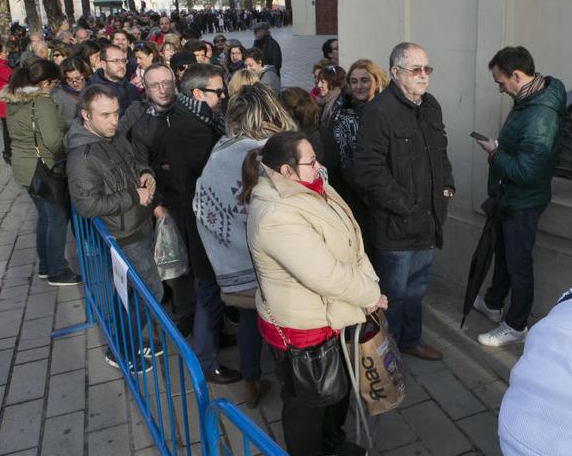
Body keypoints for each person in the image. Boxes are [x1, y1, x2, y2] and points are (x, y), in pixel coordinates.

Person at [245, 131, 386, 456]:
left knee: (335, 394)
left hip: (330, 314)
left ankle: (333, 445)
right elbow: (324, 273)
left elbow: (351, 237)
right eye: (311, 162)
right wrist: (369, 294)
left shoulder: (309, 186)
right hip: (303, 328)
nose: (320, 166)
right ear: (286, 171)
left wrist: (367, 284)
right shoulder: (276, 214)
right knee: (307, 406)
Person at [193, 83, 297, 407]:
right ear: (271, 110)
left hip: (242, 266)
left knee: (252, 322)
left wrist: (232, 247)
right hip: (282, 260)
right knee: (289, 325)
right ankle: (294, 383)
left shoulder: (222, 151)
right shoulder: (280, 150)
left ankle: (251, 382)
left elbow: (203, 205)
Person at [350, 42, 455, 361]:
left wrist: (447, 185)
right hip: (396, 226)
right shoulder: (379, 111)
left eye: (427, 69)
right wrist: (403, 203)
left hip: (428, 221)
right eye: (416, 70)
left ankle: (410, 341)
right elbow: (367, 171)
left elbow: (440, 151)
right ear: (395, 73)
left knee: (417, 291)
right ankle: (386, 356)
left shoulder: (431, 105)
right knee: (392, 296)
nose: (424, 76)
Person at [472, 46, 565, 347]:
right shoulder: (529, 99)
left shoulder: (540, 115)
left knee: (518, 263)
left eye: (501, 82)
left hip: (522, 202)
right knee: (504, 254)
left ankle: (516, 325)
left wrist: (495, 153)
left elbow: (527, 172)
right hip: (510, 199)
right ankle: (493, 303)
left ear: (516, 76)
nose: (500, 89)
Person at [66, 84, 162, 373]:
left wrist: (146, 174)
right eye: (105, 115)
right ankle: (121, 346)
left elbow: (134, 163)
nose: (113, 121)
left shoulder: (114, 135)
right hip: (123, 235)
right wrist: (134, 196)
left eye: (116, 114)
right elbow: (86, 206)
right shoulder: (81, 157)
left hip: (137, 223)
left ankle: (129, 339)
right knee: (152, 292)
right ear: (86, 115)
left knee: (133, 293)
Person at [164, 64, 240, 384]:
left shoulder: (190, 118)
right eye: (218, 91)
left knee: (210, 288)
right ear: (198, 94)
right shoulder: (193, 130)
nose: (223, 96)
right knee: (208, 290)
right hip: (203, 224)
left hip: (199, 219)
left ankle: (215, 337)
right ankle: (207, 361)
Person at [123, 64, 196, 337]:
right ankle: (185, 311)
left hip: (197, 197)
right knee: (177, 259)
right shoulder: (141, 126)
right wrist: (155, 205)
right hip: (168, 202)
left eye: (167, 82)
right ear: (145, 88)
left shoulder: (190, 113)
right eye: (155, 85)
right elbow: (140, 168)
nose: (163, 90)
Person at [0, 59, 80, 286]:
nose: (56, 87)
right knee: (57, 217)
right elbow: (53, 141)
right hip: (43, 167)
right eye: (54, 83)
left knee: (44, 216)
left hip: (23, 167)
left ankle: (45, 266)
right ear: (44, 83)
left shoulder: (13, 100)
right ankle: (56, 270)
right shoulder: (41, 103)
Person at [321, 59, 389, 257]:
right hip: (354, 192)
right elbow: (342, 157)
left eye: (365, 80)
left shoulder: (387, 110)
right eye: (354, 81)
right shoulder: (341, 113)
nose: (359, 86)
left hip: (386, 191)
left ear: (377, 81)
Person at [89, 45, 140, 118]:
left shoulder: (130, 86)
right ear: (103, 64)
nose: (121, 65)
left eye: (123, 61)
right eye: (116, 61)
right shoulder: (94, 92)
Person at [51, 57, 91, 122]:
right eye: (70, 80)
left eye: (78, 78)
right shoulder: (57, 96)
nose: (75, 83)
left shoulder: (95, 89)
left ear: (84, 74)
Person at [315, 65, 345, 130]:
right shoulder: (322, 100)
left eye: (323, 82)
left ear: (332, 84)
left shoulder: (338, 105)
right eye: (319, 81)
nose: (319, 85)